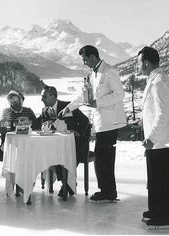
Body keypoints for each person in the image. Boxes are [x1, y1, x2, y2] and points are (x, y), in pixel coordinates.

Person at [59, 45, 126, 202]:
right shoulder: (92, 75)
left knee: (105, 159)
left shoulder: (109, 71)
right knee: (102, 159)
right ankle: (107, 191)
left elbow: (119, 94)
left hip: (110, 121)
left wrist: (98, 102)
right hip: (100, 122)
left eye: (85, 60)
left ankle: (108, 192)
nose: (84, 63)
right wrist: (68, 108)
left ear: (93, 57)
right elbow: (84, 97)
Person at [33, 85, 90, 197]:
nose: (42, 99)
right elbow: (35, 123)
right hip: (55, 144)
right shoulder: (45, 111)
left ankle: (67, 183)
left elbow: (85, 121)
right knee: (52, 153)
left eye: (44, 97)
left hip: (75, 143)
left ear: (53, 96)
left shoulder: (67, 106)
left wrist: (78, 131)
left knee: (63, 153)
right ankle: (66, 183)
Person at [138, 46, 169, 227]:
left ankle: (163, 216)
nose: (137, 66)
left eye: (139, 62)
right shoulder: (155, 79)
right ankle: (155, 209)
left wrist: (151, 137)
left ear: (147, 63)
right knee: (155, 179)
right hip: (156, 140)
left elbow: (164, 114)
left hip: (160, 141)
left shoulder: (159, 82)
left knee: (160, 180)